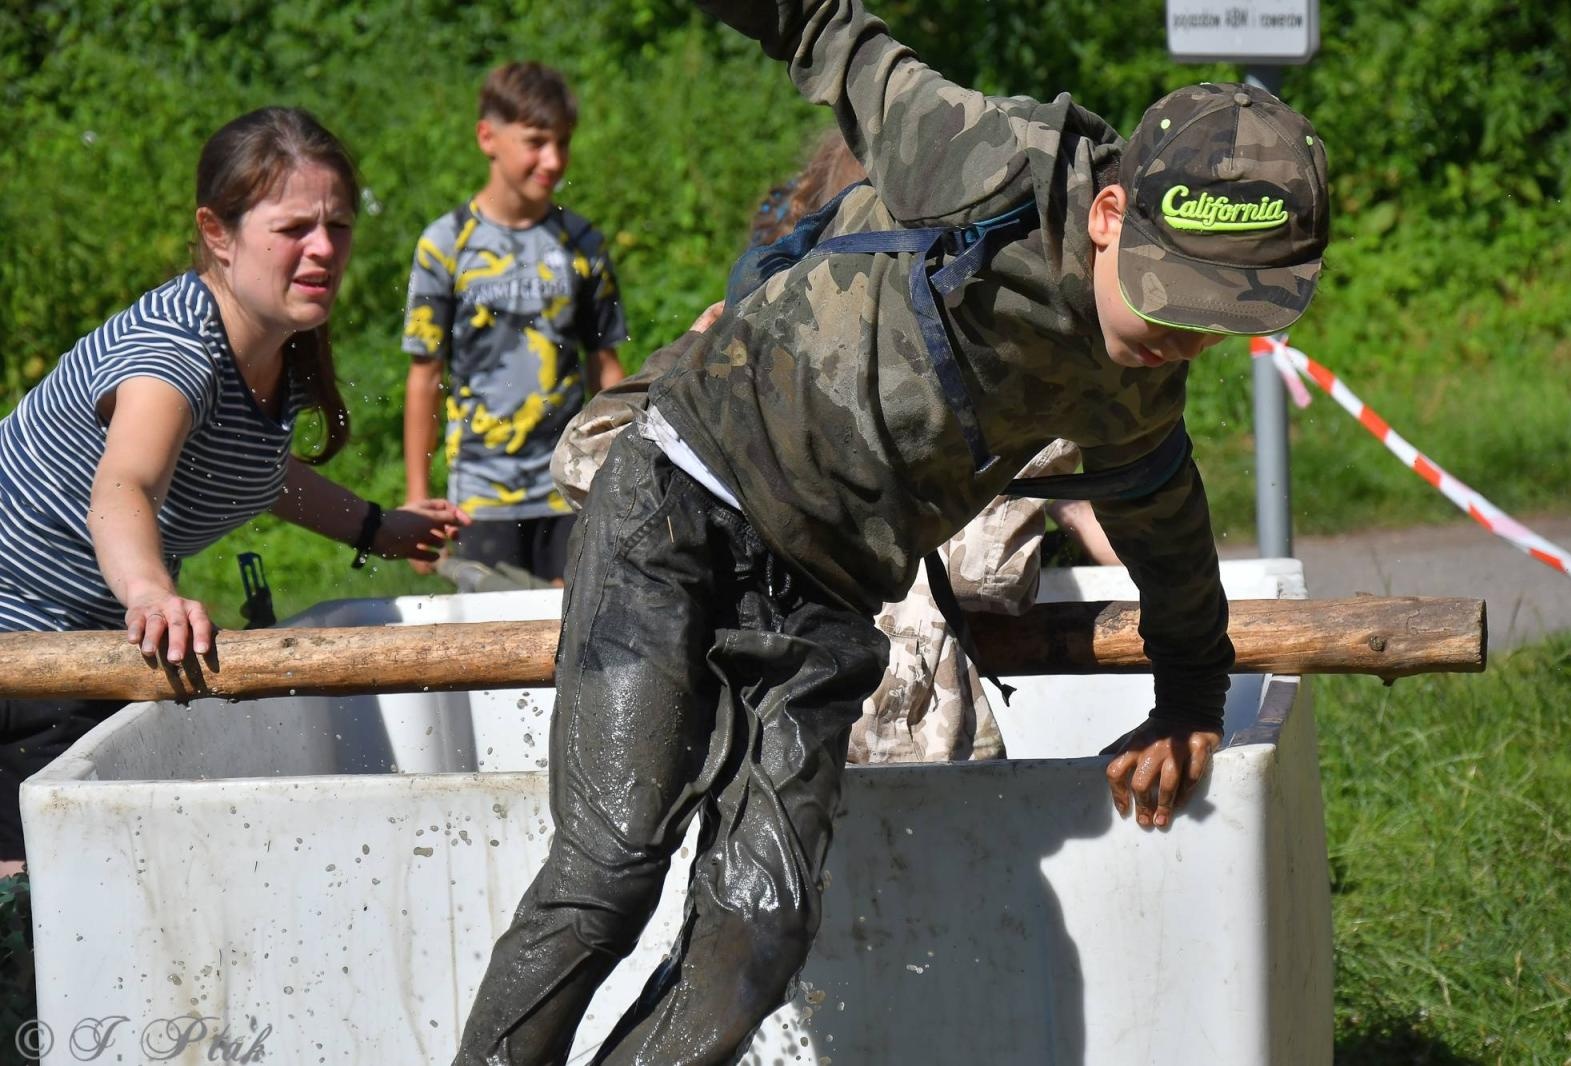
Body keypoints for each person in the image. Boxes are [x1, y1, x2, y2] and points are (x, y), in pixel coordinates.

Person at [455, 0, 1329, 1060]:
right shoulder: (995, 168)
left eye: (1214, 326)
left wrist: (1189, 693)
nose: (1177, 344)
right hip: (680, 502)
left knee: (758, 929)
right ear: (1107, 215)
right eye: (1170, 301)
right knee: (610, 862)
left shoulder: (1136, 388)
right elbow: (829, 32)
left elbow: (1166, 525)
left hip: (820, 597)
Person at [550, 128, 1120, 765]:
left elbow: (584, 461)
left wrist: (686, 358)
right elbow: (992, 575)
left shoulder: (758, 364)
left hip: (789, 740)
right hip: (894, 747)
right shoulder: (982, 372)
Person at [0, 107, 468, 875]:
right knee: (46, 919)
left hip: (75, 649)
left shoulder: (270, 346)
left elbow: (257, 473)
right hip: (18, 657)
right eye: (292, 230)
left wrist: (378, 526)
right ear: (218, 233)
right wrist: (151, 594)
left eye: (338, 226)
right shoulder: (174, 351)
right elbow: (125, 485)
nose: (322, 249)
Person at [403, 61, 629, 587]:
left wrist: (619, 475)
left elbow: (607, 366)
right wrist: (418, 499)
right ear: (488, 137)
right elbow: (424, 377)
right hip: (482, 495)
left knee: (578, 639)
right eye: (535, 142)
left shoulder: (582, 243)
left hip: (570, 485)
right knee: (487, 650)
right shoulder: (446, 243)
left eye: (563, 143)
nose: (552, 160)